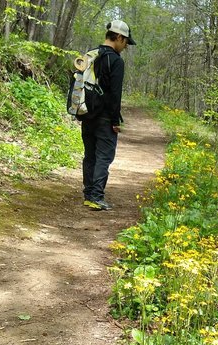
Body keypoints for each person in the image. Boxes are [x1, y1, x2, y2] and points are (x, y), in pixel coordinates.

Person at [81, 20, 135, 211]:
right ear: (118, 37)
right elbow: (115, 94)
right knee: (104, 157)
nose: (126, 46)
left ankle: (89, 194)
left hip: (86, 114)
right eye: (126, 41)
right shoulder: (116, 61)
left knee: (90, 155)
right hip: (104, 117)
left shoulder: (91, 54)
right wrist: (115, 121)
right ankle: (96, 196)